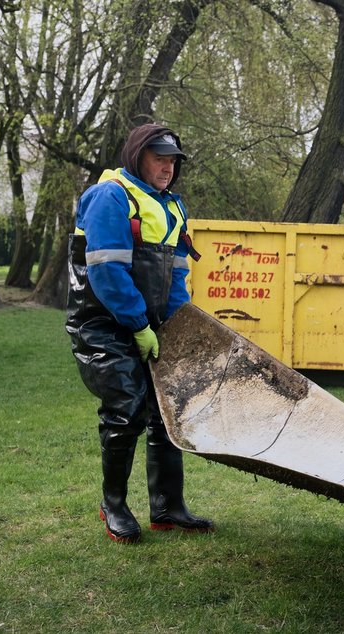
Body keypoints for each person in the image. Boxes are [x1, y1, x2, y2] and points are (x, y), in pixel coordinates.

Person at [66, 123, 214, 543]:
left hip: (149, 325)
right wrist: (138, 324)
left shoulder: (172, 207)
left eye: (172, 161)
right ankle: (112, 504)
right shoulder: (110, 196)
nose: (166, 168)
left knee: (166, 411)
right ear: (137, 157)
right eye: (158, 158)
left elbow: (177, 277)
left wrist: (173, 326)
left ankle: (168, 507)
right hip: (101, 323)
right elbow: (106, 272)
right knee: (126, 407)